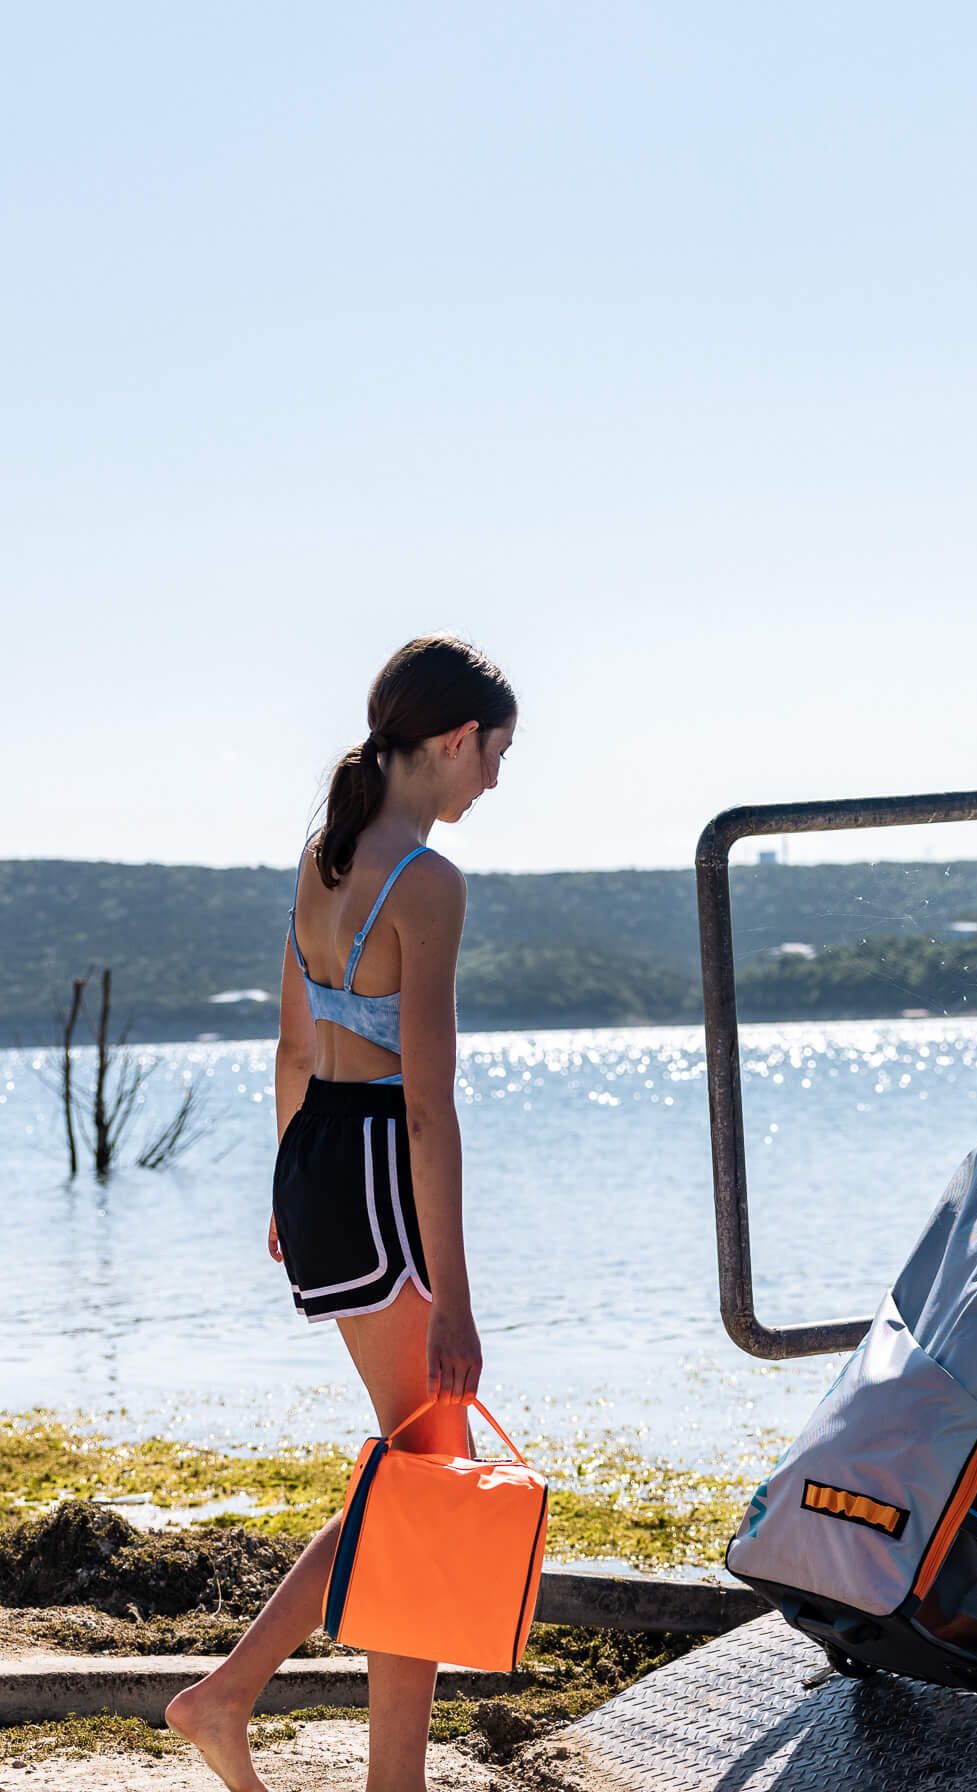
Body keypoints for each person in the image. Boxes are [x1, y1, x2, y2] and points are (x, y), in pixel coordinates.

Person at [168, 636, 517, 1792]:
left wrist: (283, 1187)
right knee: (423, 1476)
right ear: (455, 737)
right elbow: (427, 1109)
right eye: (495, 755)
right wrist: (457, 1301)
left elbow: (288, 1046)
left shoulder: (323, 859)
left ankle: (382, 1772)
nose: (494, 784)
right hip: (373, 1162)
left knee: (425, 1469)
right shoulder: (426, 881)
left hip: (318, 1157)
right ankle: (232, 1698)